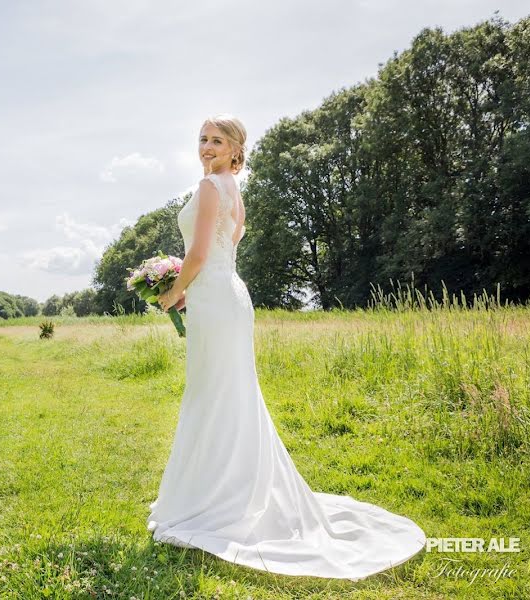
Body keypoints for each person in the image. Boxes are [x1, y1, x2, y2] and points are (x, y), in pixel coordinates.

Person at [149, 114, 426, 580]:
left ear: (236, 150)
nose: (207, 147)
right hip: (231, 296)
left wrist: (173, 290)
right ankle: (223, 488)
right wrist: (190, 282)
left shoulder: (209, 189)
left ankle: (211, 497)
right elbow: (227, 245)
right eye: (202, 140)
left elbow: (199, 255)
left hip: (215, 298)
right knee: (229, 394)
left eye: (217, 141)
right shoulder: (235, 193)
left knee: (211, 395)